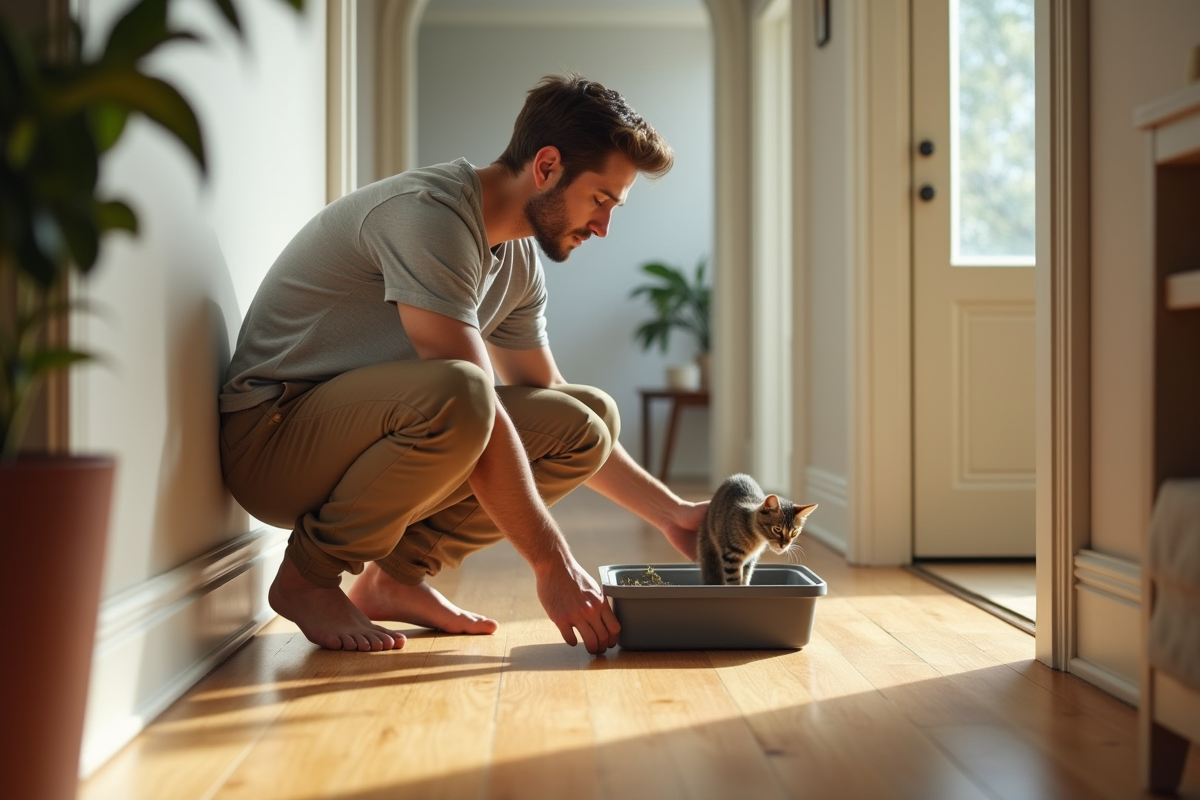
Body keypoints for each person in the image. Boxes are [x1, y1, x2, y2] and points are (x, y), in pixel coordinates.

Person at [218, 73, 708, 656]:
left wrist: (672, 514)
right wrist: (552, 564)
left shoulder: (518, 260)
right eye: (600, 200)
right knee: (465, 393)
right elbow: (475, 402)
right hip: (272, 442)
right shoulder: (430, 216)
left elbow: (548, 392)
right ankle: (308, 578)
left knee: (586, 417)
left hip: (348, 441)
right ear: (547, 166)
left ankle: (395, 579)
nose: (604, 227)